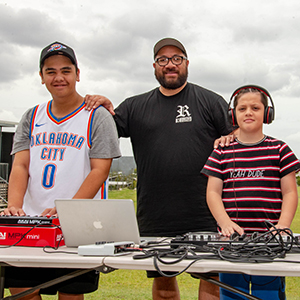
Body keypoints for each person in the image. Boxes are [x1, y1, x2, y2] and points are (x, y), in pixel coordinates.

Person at [85, 37, 234, 300]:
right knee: (164, 288)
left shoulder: (210, 101)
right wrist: (101, 108)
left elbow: (237, 139)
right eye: (163, 60)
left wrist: (231, 138)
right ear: (154, 67)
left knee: (211, 282)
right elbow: (103, 131)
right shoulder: (134, 106)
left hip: (206, 212)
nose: (170, 64)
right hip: (155, 213)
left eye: (176, 58)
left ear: (187, 63)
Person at [3, 42, 121, 299]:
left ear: (78, 74)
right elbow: (20, 165)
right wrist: (14, 206)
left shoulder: (97, 116)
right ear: (41, 76)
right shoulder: (31, 116)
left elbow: (99, 171)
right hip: (32, 224)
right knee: (22, 292)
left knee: (70, 295)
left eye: (66, 71)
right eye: (50, 71)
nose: (58, 77)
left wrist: (69, 208)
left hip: (77, 225)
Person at [201, 85, 300, 300]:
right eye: (242, 108)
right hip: (232, 243)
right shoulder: (221, 151)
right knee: (232, 295)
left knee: (268, 295)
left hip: (271, 243)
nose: (248, 112)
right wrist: (224, 222)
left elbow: (290, 192)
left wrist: (282, 226)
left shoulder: (280, 149)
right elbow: (213, 193)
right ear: (232, 115)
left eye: (255, 107)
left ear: (267, 114)